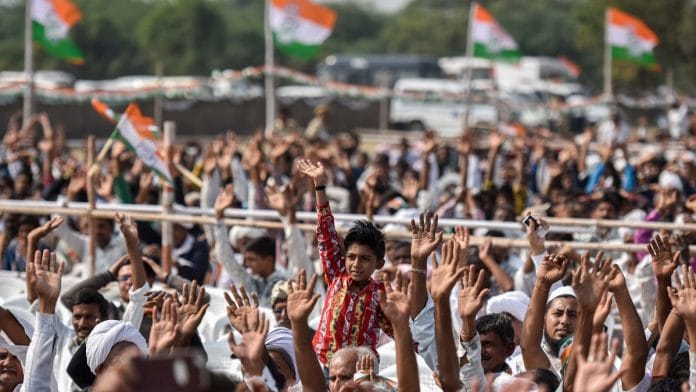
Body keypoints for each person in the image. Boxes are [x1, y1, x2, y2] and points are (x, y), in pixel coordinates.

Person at [297, 159, 393, 369]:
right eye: (351, 257)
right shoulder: (336, 275)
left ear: (379, 263)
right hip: (322, 366)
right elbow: (325, 231)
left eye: (365, 258)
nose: (356, 264)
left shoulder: (381, 294)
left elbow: (402, 333)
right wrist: (319, 185)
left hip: (358, 374)